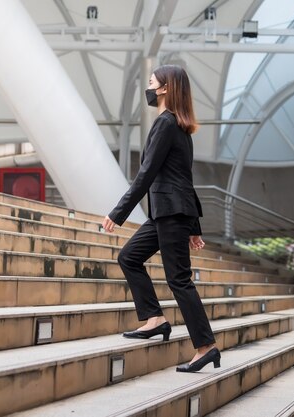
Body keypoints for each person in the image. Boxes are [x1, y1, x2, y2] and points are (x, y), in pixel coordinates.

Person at [102, 64, 220, 373]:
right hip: (167, 213)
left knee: (178, 279)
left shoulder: (167, 124)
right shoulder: (178, 127)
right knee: (129, 257)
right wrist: (194, 228)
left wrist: (118, 212)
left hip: (170, 212)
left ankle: (206, 346)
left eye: (152, 83)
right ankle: (154, 319)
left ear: (165, 88)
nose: (149, 88)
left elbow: (146, 174)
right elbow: (185, 180)